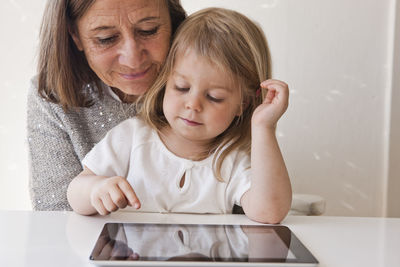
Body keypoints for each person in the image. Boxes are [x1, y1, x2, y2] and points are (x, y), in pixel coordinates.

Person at [67, 7, 292, 223]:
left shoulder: (233, 159)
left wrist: (264, 127)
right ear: (166, 82)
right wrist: (95, 189)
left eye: (214, 97)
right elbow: (75, 192)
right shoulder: (132, 136)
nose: (193, 105)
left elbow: (269, 212)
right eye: (182, 88)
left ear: (242, 104)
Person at [27, 0, 187, 211]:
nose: (132, 59)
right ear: (75, 35)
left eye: (148, 31)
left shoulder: (213, 83)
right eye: (106, 39)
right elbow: (55, 217)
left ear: (173, 23)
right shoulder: (52, 96)